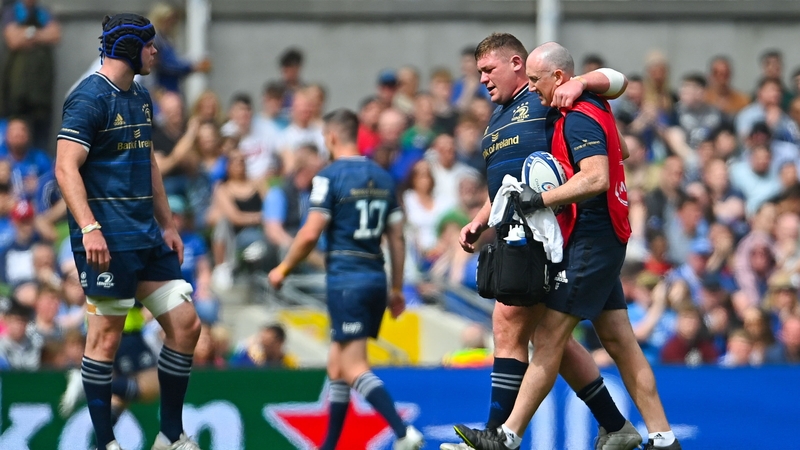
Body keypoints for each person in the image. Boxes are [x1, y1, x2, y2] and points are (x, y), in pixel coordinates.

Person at [454, 41, 680, 450]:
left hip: (568, 234)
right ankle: (638, 431)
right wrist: (480, 218)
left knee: (530, 328)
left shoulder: (553, 97)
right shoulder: (499, 116)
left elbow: (617, 89)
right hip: (556, 235)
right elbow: (507, 181)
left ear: (517, 64)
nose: (482, 79)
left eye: (488, 69)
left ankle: (500, 434)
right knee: (598, 337)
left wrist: (579, 82)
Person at [54, 13, 201, 450]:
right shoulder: (87, 99)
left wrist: (168, 224)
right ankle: (107, 444)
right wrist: (89, 228)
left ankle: (170, 436)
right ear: (130, 49)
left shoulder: (139, 94)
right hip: (108, 241)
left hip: (147, 238)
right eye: (150, 44)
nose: (156, 51)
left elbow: (148, 161)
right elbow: (65, 168)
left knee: (187, 325)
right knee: (105, 339)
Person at [267, 109, 424, 450]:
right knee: (337, 364)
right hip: (375, 277)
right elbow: (397, 238)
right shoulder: (384, 177)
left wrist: (284, 269)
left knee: (353, 367)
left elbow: (310, 233)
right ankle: (330, 445)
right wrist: (397, 288)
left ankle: (402, 431)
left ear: (333, 137)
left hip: (346, 279)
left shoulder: (329, 176)